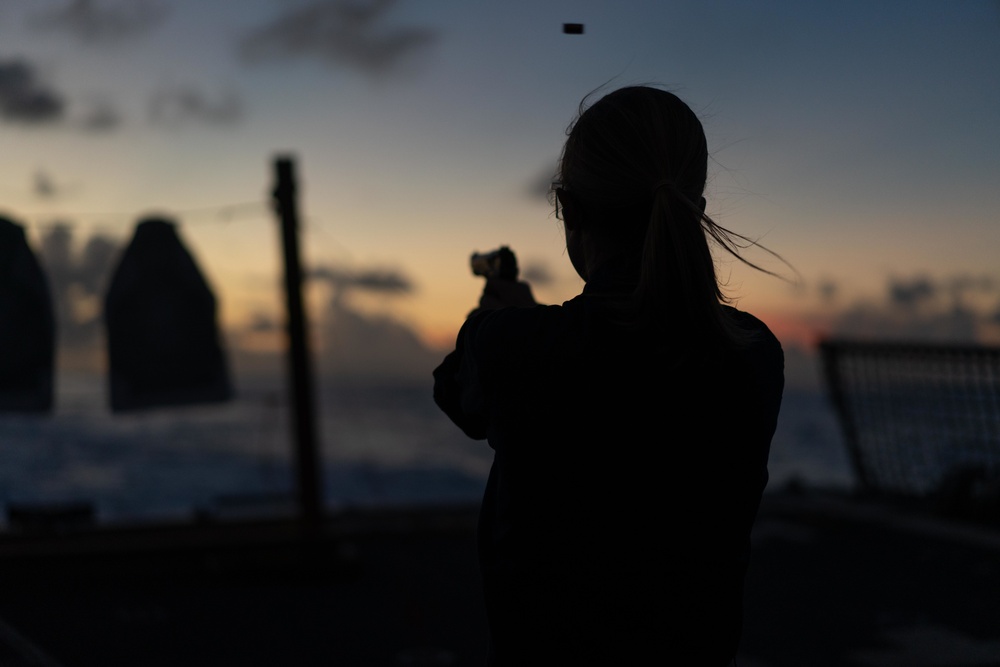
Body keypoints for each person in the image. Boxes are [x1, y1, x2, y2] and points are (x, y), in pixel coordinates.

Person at [433, 85, 785, 666]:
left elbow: (457, 393)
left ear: (569, 211)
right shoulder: (755, 353)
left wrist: (495, 318)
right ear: (694, 210)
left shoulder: (520, 350)